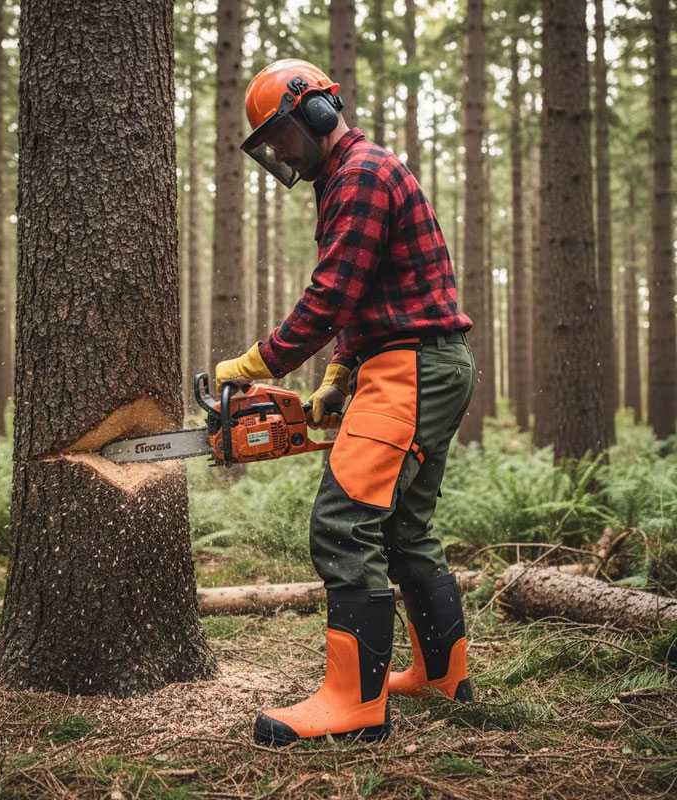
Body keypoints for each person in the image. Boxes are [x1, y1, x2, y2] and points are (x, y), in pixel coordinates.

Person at [215, 58, 476, 747]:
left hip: (412, 368)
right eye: (268, 145)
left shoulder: (359, 176)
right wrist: (337, 376)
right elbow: (366, 298)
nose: (279, 153)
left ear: (317, 111)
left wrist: (259, 361)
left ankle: (354, 702)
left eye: (281, 136)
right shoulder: (350, 177)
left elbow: (331, 296)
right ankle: (443, 673)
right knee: (404, 530)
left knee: (344, 522)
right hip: (421, 363)